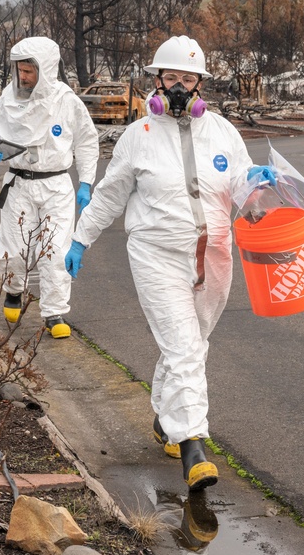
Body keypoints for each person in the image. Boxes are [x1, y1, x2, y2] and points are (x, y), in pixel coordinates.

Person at [64, 35, 275, 490]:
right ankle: (193, 447)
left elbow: (243, 191)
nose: (179, 86)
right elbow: (110, 195)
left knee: (192, 341)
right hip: (156, 254)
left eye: (188, 78)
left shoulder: (222, 133)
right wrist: (80, 239)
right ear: (155, 81)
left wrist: (258, 190)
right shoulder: (138, 137)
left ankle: (166, 419)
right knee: (183, 347)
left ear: (201, 85)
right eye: (171, 77)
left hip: (214, 254)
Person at [0, 36, 98, 339]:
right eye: (19, 70)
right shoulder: (8, 99)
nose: (22, 77)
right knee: (13, 249)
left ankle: (54, 312)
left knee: (55, 252)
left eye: (29, 71)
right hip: (19, 183)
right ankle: (13, 290)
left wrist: (86, 181)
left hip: (56, 185)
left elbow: (86, 141)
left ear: (44, 69)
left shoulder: (66, 101)